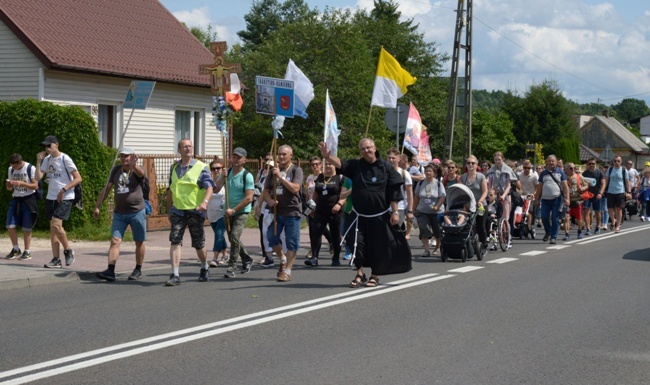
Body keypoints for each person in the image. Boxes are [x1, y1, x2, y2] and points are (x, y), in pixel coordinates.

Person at [319, 139, 411, 288]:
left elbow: (394, 191)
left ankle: (375, 275)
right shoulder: (356, 165)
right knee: (356, 244)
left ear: (374, 148)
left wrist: (395, 212)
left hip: (379, 216)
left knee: (377, 247)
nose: (366, 151)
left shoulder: (386, 167)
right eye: (362, 149)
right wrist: (327, 157)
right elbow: (341, 164)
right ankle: (360, 273)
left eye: (368, 148)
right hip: (358, 215)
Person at [164, 138, 215, 286]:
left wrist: (205, 202)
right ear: (179, 150)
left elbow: (210, 187)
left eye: (190, 146)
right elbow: (171, 189)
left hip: (195, 210)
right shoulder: (174, 168)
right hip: (178, 211)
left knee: (198, 243)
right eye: (184, 147)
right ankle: (175, 274)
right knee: (175, 240)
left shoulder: (201, 167)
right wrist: (169, 208)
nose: (188, 149)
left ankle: (204, 266)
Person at [94, 147, 147, 281]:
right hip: (119, 213)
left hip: (136, 212)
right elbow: (107, 188)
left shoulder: (137, 170)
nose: (124, 159)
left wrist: (134, 166)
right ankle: (110, 270)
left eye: (127, 156)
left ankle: (138, 269)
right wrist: (97, 206)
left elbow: (141, 174)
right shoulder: (116, 170)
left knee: (139, 241)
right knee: (115, 240)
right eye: (122, 156)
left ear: (133, 157)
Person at [36, 135, 82, 268]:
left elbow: (78, 178)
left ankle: (68, 250)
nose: (47, 148)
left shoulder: (65, 158)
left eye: (49, 145)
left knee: (56, 225)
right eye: (45, 146)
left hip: (65, 196)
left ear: (56, 144)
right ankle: (56, 259)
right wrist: (38, 161)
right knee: (53, 229)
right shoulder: (47, 159)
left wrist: (64, 189)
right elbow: (38, 177)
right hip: (51, 197)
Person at [263, 144, 304, 282]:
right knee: (271, 236)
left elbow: (295, 189)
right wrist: (269, 201)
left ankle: (287, 271)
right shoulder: (272, 171)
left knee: (292, 242)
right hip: (277, 211)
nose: (281, 156)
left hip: (292, 211)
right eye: (279, 154)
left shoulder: (296, 170)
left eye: (284, 154)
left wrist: (281, 177)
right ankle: (282, 258)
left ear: (291, 156)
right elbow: (266, 191)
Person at [215, 147, 255, 278]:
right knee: (233, 239)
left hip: (241, 211)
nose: (235, 159)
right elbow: (215, 189)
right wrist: (222, 177)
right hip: (228, 211)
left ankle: (232, 266)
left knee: (234, 237)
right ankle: (247, 259)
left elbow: (249, 198)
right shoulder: (228, 172)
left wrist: (234, 210)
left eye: (238, 157)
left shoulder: (247, 176)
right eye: (234, 157)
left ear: (244, 160)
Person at [305, 159, 348, 267]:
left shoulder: (341, 178)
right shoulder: (320, 177)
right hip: (320, 210)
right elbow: (315, 193)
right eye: (326, 164)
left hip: (335, 211)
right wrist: (312, 207)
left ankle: (336, 257)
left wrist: (339, 204)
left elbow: (344, 195)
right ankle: (314, 258)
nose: (328, 166)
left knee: (335, 234)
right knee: (316, 232)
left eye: (330, 164)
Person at [5, 153, 39, 261]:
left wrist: (21, 183)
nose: (13, 168)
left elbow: (35, 186)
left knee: (27, 227)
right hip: (16, 199)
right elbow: (9, 188)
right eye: (12, 166)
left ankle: (27, 251)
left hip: (28, 199)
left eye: (15, 166)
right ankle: (16, 249)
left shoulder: (30, 168)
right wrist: (9, 184)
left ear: (20, 163)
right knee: (10, 225)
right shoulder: (11, 169)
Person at [535, 155, 570, 244]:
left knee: (555, 218)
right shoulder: (543, 173)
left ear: (556, 162)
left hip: (557, 199)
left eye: (553, 161)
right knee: (544, 217)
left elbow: (565, 187)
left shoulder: (561, 172)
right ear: (547, 162)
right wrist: (537, 199)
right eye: (549, 161)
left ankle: (553, 237)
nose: (551, 163)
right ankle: (548, 232)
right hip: (545, 200)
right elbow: (539, 188)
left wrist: (567, 199)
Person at [485, 152, 516, 249]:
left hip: (505, 195)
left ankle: (508, 238)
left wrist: (503, 195)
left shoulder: (507, 170)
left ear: (503, 159)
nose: (497, 161)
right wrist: (490, 194)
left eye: (499, 159)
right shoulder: (491, 171)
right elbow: (489, 183)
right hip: (494, 195)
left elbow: (508, 185)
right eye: (495, 160)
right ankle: (494, 241)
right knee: (493, 219)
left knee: (505, 218)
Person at [413, 164, 445, 257]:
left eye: (430, 171)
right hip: (422, 211)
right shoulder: (420, 183)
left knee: (437, 231)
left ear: (434, 173)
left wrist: (437, 206)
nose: (428, 173)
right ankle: (426, 250)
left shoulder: (438, 183)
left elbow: (442, 197)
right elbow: (416, 197)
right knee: (424, 229)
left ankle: (437, 247)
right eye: (426, 171)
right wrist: (413, 210)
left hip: (436, 212)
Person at [303, 156, 332, 258]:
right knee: (312, 229)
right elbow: (308, 192)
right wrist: (307, 203)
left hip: (321, 205)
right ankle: (313, 251)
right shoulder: (309, 178)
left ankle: (331, 242)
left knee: (321, 228)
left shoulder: (324, 176)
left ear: (321, 165)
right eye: (312, 164)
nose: (315, 166)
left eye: (317, 164)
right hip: (311, 205)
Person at [459, 155, 489, 253]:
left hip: (480, 205)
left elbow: (485, 191)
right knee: (468, 225)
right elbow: (462, 191)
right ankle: (469, 244)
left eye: (473, 163)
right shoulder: (463, 177)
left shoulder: (481, 176)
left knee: (480, 226)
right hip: (468, 205)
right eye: (468, 163)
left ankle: (483, 244)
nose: (470, 165)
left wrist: (480, 201)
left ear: (476, 165)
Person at [386, 148, 414, 238]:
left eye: (393, 158)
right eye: (389, 158)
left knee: (395, 234)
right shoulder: (382, 172)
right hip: (384, 208)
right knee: (385, 234)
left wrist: (410, 211)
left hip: (400, 208)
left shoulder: (404, 173)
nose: (391, 160)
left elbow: (410, 194)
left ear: (399, 159)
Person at [207, 157, 228, 267]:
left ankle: (215, 257)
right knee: (218, 234)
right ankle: (225, 254)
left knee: (219, 234)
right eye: (213, 168)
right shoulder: (209, 180)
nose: (216, 170)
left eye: (218, 168)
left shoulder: (226, 180)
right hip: (211, 213)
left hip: (222, 212)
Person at [602, 155, 631, 233]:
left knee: (618, 209)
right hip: (610, 192)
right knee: (609, 209)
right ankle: (613, 219)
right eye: (615, 161)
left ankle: (618, 226)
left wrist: (629, 192)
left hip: (620, 192)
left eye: (618, 161)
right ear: (613, 162)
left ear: (621, 162)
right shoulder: (610, 169)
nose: (616, 162)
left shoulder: (624, 170)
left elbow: (627, 182)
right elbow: (606, 180)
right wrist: (602, 191)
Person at [562, 162, 588, 241]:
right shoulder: (563, 177)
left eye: (574, 168)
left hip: (577, 200)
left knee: (579, 218)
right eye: (570, 168)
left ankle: (579, 231)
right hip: (567, 201)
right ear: (566, 169)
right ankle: (567, 234)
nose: (573, 169)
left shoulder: (579, 176)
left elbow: (586, 185)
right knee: (566, 218)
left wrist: (583, 188)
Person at [581, 157, 606, 234]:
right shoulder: (585, 173)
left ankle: (598, 226)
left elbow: (603, 184)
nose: (591, 165)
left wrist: (600, 193)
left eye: (593, 164)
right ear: (588, 164)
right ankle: (588, 229)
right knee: (586, 211)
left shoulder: (599, 173)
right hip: (587, 195)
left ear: (596, 164)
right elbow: (581, 183)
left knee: (597, 212)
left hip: (596, 195)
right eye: (590, 164)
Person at [517, 159, 538, 232]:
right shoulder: (519, 174)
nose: (526, 169)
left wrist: (533, 194)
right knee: (520, 210)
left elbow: (537, 187)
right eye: (525, 168)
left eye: (528, 168)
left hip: (531, 195)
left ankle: (529, 225)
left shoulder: (534, 175)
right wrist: (519, 192)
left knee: (529, 211)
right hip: (522, 195)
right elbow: (517, 185)